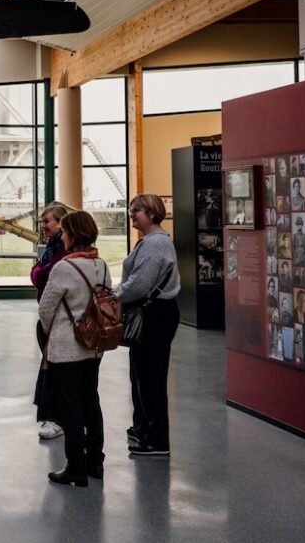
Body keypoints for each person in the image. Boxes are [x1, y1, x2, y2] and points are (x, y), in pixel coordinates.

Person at [38, 210, 110, 486]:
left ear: (74, 234)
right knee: (91, 402)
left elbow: (46, 309)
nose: (63, 237)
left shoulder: (64, 268)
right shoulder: (101, 264)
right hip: (93, 346)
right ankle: (95, 462)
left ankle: (75, 468)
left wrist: (49, 330)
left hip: (66, 347)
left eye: (66, 232)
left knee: (70, 407)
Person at [114, 193, 180, 457]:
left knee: (150, 378)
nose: (132, 215)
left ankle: (155, 439)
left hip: (154, 316)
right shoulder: (151, 242)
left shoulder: (154, 245)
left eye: (137, 211)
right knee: (141, 376)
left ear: (151, 214)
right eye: (131, 210)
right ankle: (143, 429)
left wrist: (114, 295)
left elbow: (140, 284)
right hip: (152, 314)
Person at [31, 202, 69, 440]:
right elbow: (38, 273)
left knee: (59, 369)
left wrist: (38, 271)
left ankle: (59, 417)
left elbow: (41, 273)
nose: (43, 226)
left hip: (59, 320)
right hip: (50, 319)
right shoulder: (51, 248)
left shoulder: (61, 252)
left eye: (47, 221)